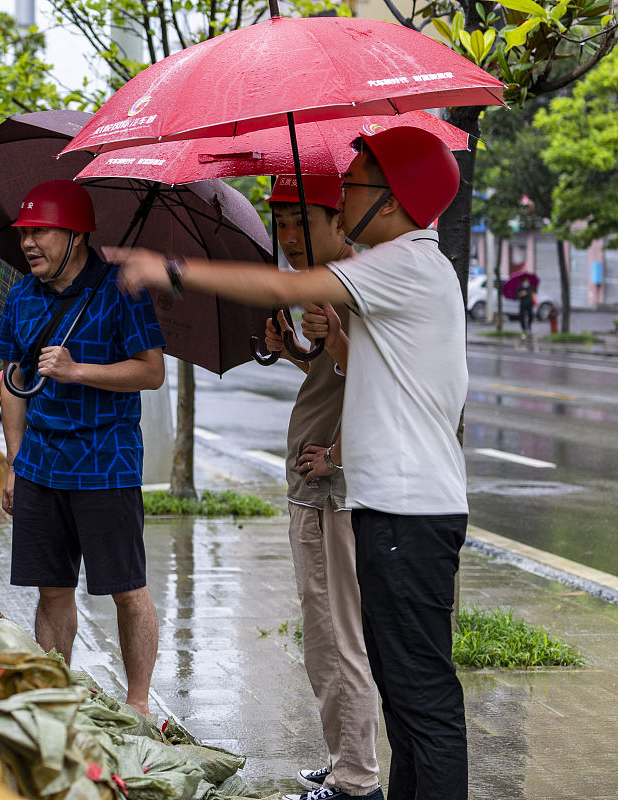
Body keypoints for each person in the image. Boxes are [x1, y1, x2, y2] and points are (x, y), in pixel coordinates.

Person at [107, 126, 469, 800]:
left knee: (422, 701)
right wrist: (317, 347)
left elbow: (283, 283)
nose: (343, 198)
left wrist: (171, 268)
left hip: (408, 515)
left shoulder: (405, 263)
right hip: (397, 510)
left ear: (390, 201)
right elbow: (380, 377)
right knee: (408, 700)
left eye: (354, 185)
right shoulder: (412, 268)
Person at [0, 179, 166, 714]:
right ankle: (54, 698)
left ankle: (137, 704)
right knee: (50, 589)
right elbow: (14, 379)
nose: (28, 244)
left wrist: (78, 370)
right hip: (41, 466)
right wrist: (16, 460)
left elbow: (152, 372)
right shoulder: (21, 295)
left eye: (39, 231)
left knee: (126, 589)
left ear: (75, 234)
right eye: (24, 233)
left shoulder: (123, 287)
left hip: (106, 464)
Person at [262, 175, 381, 800]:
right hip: (315, 489)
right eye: (280, 222)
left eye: (301, 221)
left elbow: (384, 383)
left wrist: (333, 454)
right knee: (324, 634)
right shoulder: (332, 292)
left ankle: (355, 781)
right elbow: (338, 375)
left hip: (332, 493)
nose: (288, 236)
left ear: (341, 219)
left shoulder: (357, 287)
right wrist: (297, 353)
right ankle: (345, 760)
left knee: (335, 638)